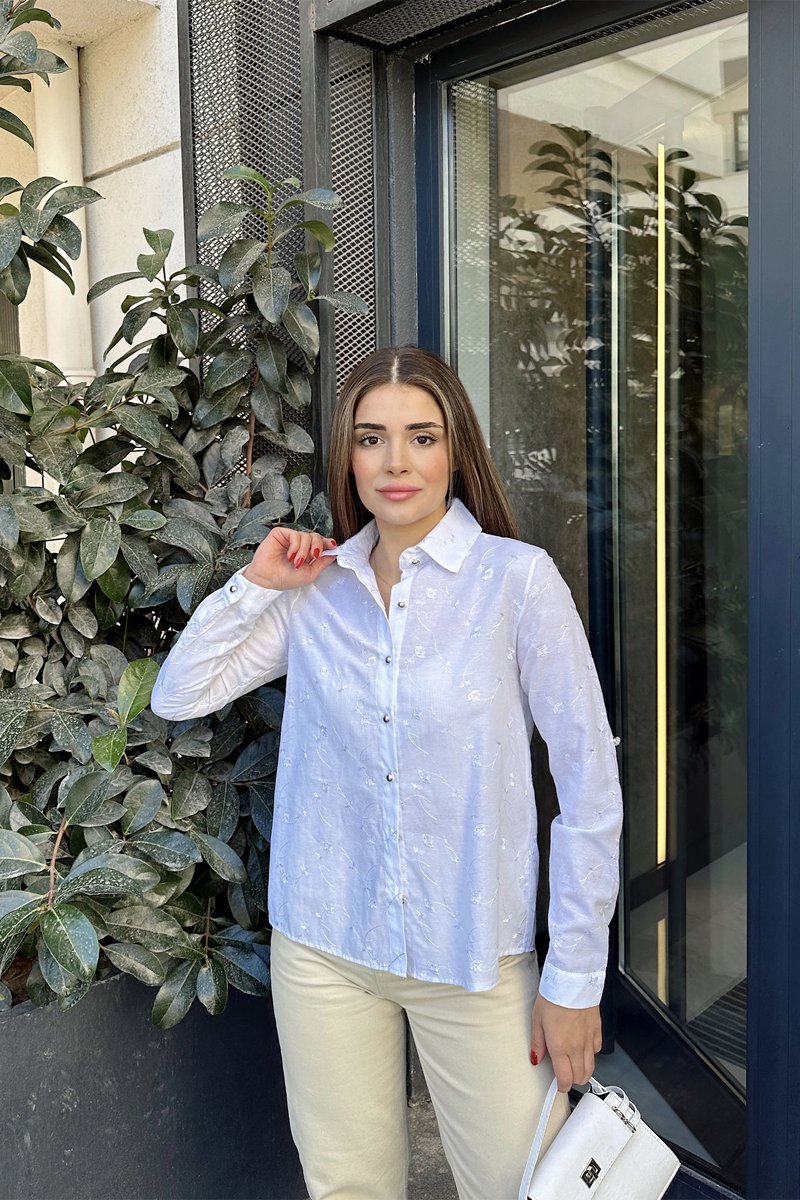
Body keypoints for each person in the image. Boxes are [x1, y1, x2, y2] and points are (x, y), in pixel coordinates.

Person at [150, 345, 624, 1200]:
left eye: (421, 437)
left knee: (525, 1189)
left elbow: (590, 789)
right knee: (347, 1189)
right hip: (325, 945)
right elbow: (179, 696)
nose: (396, 462)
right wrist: (255, 583)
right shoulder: (313, 589)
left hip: (473, 954)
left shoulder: (516, 584)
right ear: (349, 455)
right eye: (372, 438)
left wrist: (574, 980)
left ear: (455, 451)